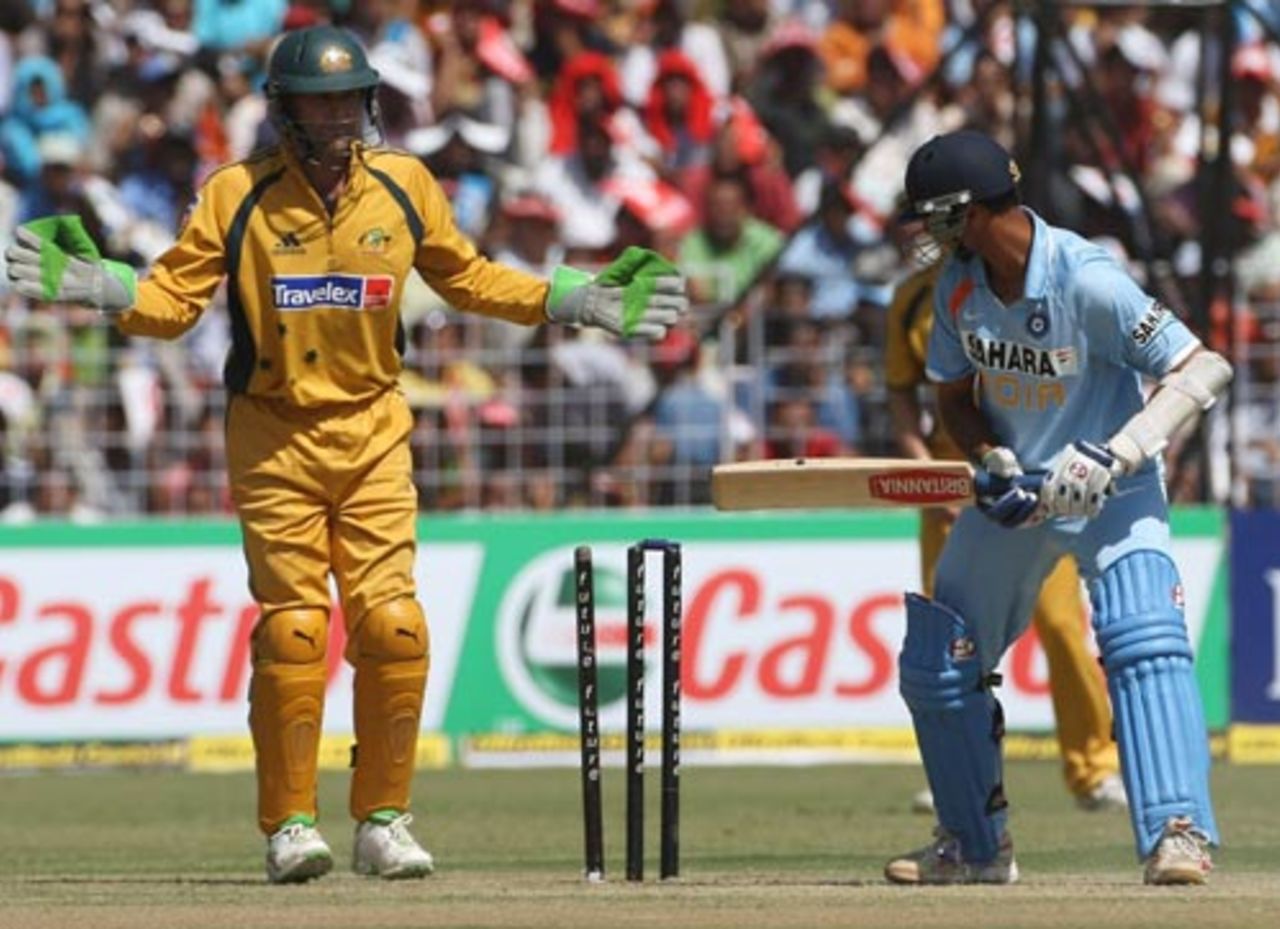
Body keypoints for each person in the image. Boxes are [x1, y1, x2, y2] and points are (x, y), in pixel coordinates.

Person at [5, 25, 686, 885]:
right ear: (284, 111)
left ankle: (384, 820)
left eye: (349, 99)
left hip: (373, 430)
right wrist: (107, 288)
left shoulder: (403, 185)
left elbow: (470, 276)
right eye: (320, 102)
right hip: (273, 432)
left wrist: (573, 296)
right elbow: (175, 300)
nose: (339, 118)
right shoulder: (235, 194)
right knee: (293, 630)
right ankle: (290, 824)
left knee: (393, 625)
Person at [885, 129, 1230, 886]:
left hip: (1113, 485)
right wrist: (989, 458)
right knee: (941, 657)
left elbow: (1203, 365)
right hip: (1020, 494)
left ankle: (1178, 832)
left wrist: (1121, 452)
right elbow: (952, 398)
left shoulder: (1085, 277)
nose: (927, 235)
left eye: (934, 218)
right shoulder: (957, 287)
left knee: (1145, 636)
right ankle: (972, 845)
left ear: (970, 212)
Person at [885, 257, 1126, 814]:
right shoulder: (912, 298)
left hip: (1037, 470)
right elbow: (902, 396)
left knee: (1063, 626)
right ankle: (958, 776)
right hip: (949, 481)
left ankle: (1093, 768)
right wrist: (931, 479)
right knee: (950, 645)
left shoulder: (1033, 285)